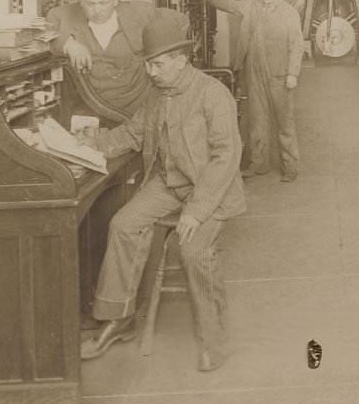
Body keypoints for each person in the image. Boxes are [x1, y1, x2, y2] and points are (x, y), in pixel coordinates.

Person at [78, 19, 245, 371]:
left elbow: (225, 158)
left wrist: (197, 212)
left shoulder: (213, 94)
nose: (151, 72)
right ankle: (118, 319)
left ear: (181, 58)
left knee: (193, 249)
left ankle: (214, 339)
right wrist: (87, 145)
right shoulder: (156, 94)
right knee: (123, 224)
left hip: (210, 191)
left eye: (158, 64)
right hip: (169, 185)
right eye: (148, 64)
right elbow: (133, 133)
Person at [197, 0, 305, 182]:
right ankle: (259, 164)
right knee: (257, 121)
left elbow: (297, 45)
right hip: (254, 72)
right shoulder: (252, 7)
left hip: (279, 74)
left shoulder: (288, 12)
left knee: (285, 122)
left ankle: (291, 166)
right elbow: (230, 5)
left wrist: (292, 73)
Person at [47, 0, 189, 116]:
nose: (97, 10)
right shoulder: (62, 16)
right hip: (95, 109)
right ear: (80, 0)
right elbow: (40, 35)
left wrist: (158, 55)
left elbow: (181, 21)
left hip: (141, 107)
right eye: (90, 4)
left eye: (103, 3)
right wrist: (69, 44)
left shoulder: (139, 12)